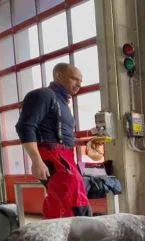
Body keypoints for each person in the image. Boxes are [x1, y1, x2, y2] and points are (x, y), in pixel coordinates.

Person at [15, 62, 91, 218]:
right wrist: (37, 161)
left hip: (65, 157)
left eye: (80, 82)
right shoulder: (43, 95)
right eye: (74, 79)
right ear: (59, 76)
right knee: (70, 202)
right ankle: (69, 238)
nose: (79, 84)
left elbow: (62, 135)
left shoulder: (61, 102)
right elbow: (25, 126)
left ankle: (72, 238)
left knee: (69, 200)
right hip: (52, 155)